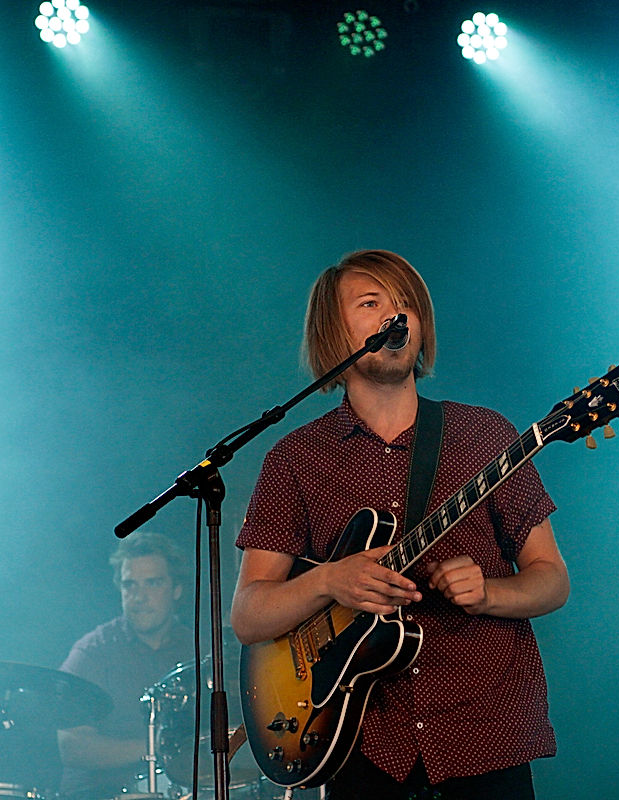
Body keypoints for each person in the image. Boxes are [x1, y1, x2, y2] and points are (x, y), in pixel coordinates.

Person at [231, 249, 570, 799]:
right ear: (332, 332)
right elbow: (248, 616)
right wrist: (328, 581)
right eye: (372, 302)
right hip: (360, 744)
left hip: (483, 734)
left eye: (407, 304)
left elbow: (551, 578)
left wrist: (487, 594)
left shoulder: (483, 436)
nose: (398, 315)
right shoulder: (296, 458)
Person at [58, 532, 193, 799]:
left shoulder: (197, 649)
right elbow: (71, 746)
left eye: (152, 583)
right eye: (129, 585)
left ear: (177, 589)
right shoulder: (92, 652)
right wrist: (156, 748)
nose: (139, 596)